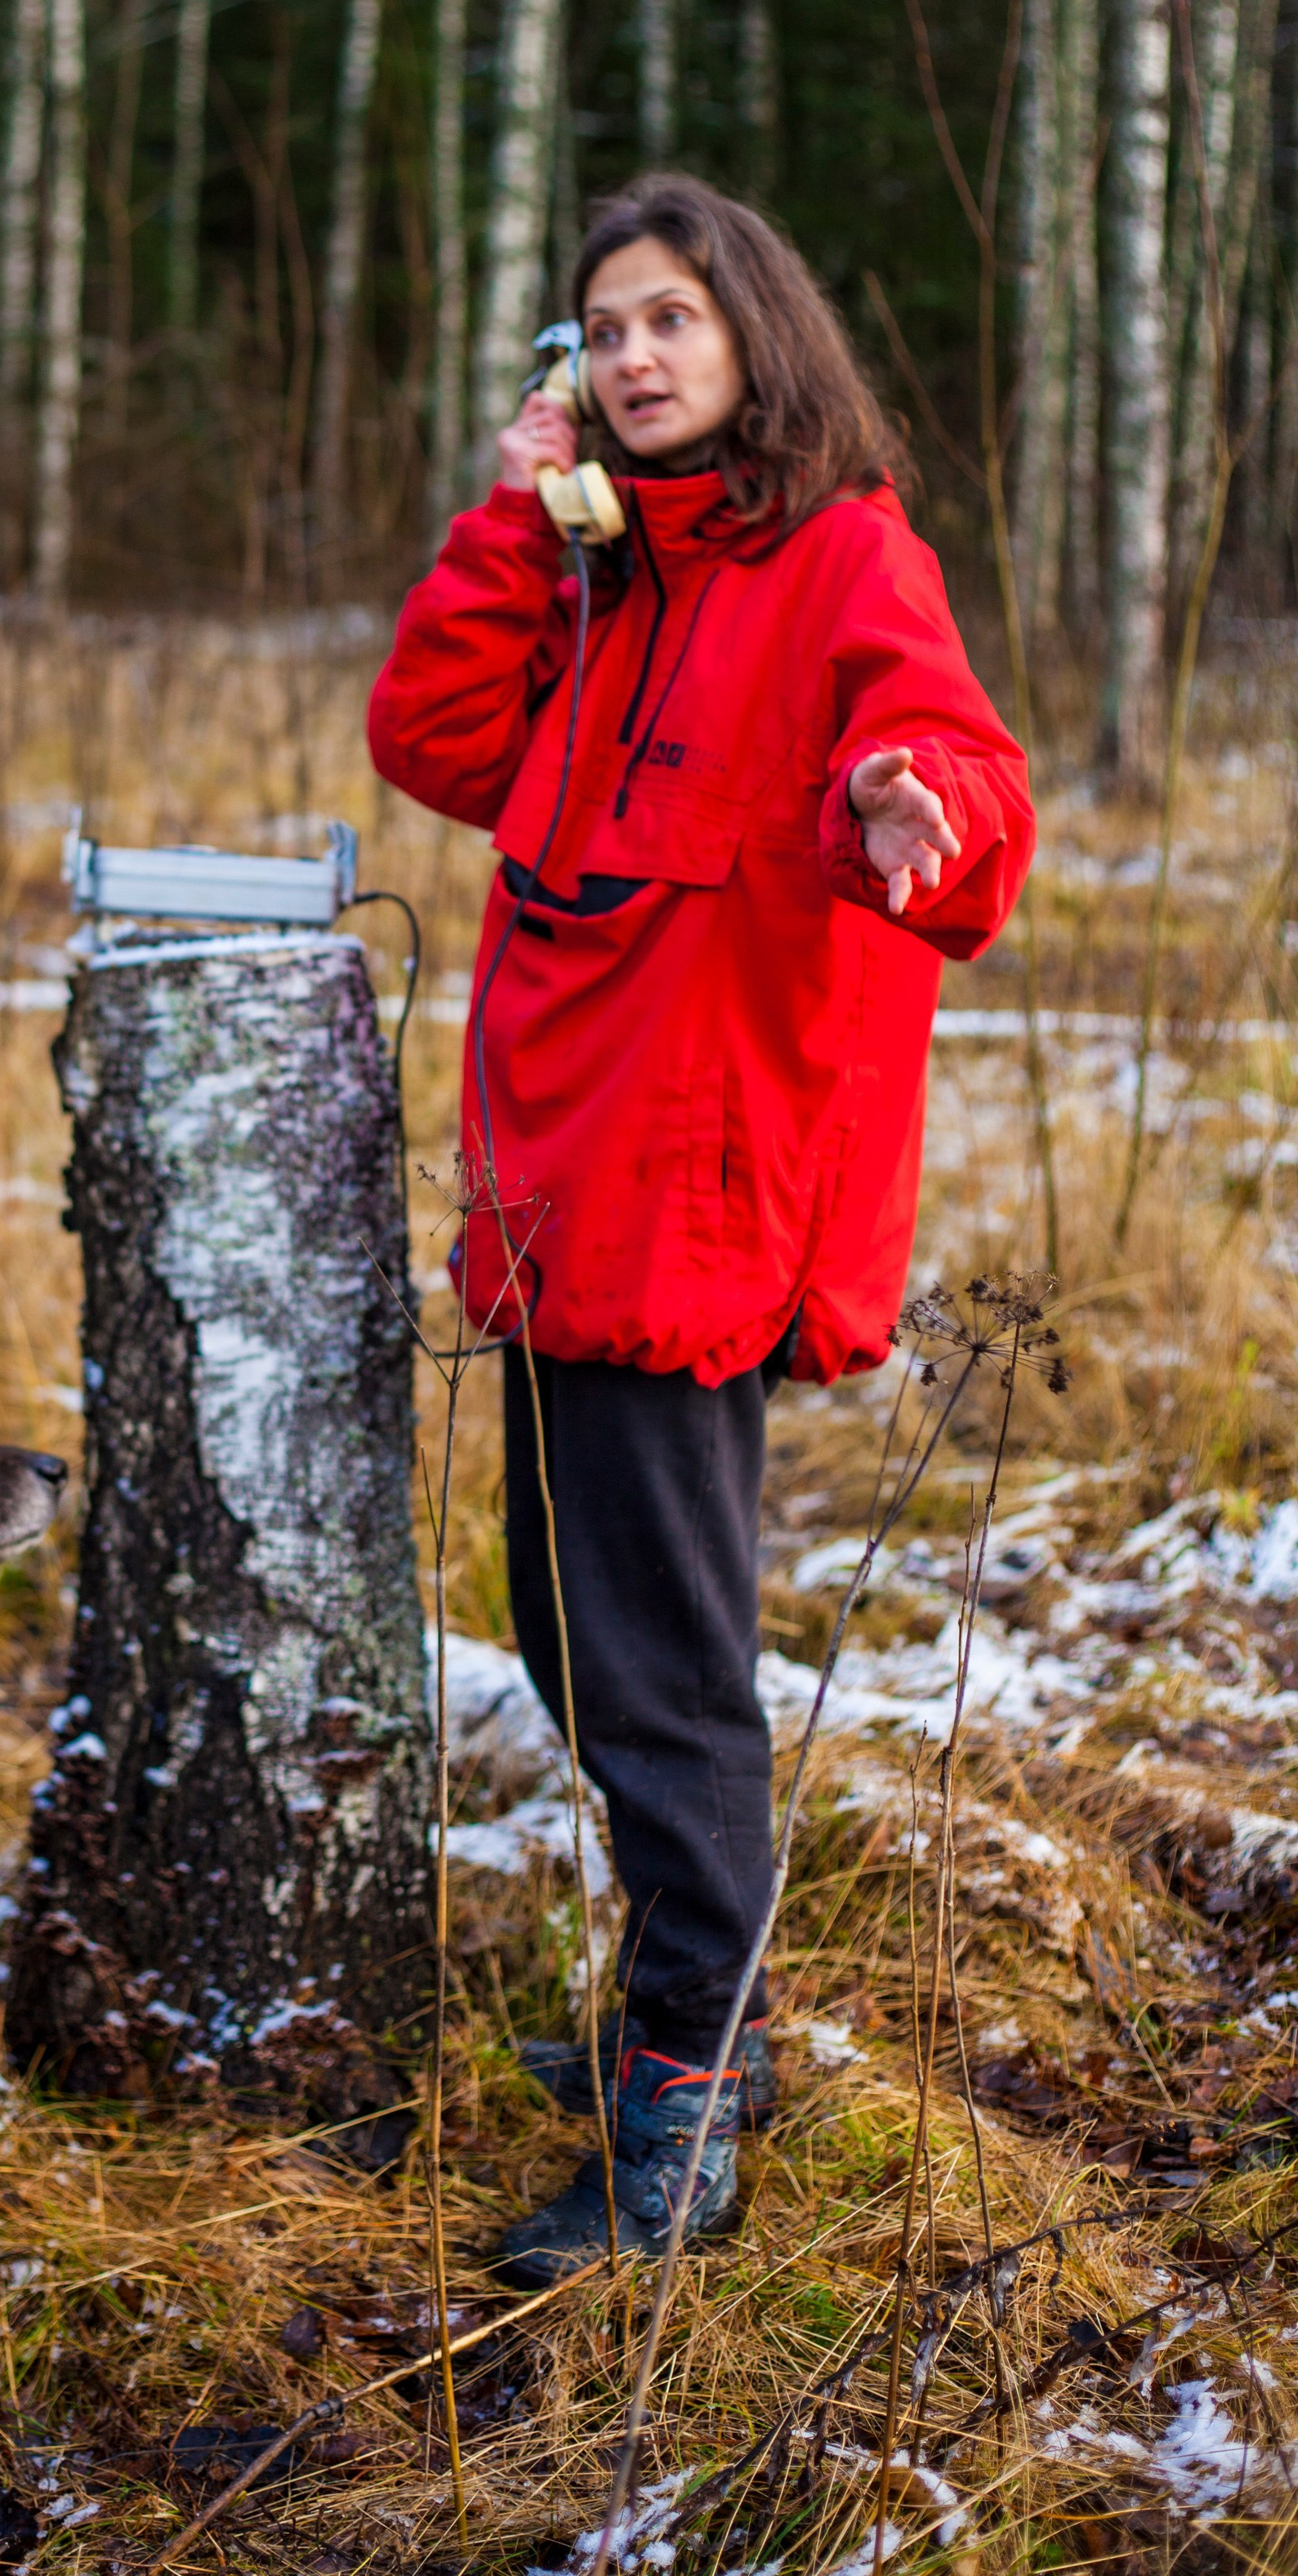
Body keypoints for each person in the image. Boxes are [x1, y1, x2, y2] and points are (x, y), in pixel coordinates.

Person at [366, 175, 1035, 2277]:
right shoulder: (595, 577)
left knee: (654, 1672)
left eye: (671, 318)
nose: (638, 356)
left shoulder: (841, 552)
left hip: (704, 1180)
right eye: (603, 328)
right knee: (570, 1627)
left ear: (753, 335)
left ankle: (690, 2085)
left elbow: (952, 763)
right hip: (564, 1173)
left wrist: (902, 807)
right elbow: (434, 739)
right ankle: (691, 2015)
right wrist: (517, 523)